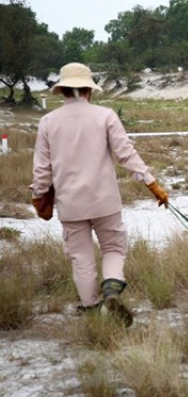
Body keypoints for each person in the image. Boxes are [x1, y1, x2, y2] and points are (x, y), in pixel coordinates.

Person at [30, 62, 169, 327]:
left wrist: (39, 198)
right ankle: (112, 290)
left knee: (80, 257)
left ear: (62, 91)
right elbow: (126, 154)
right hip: (105, 201)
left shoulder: (48, 122)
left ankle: (90, 308)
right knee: (114, 247)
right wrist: (152, 184)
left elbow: (41, 170)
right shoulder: (105, 115)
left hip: (70, 204)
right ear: (89, 90)